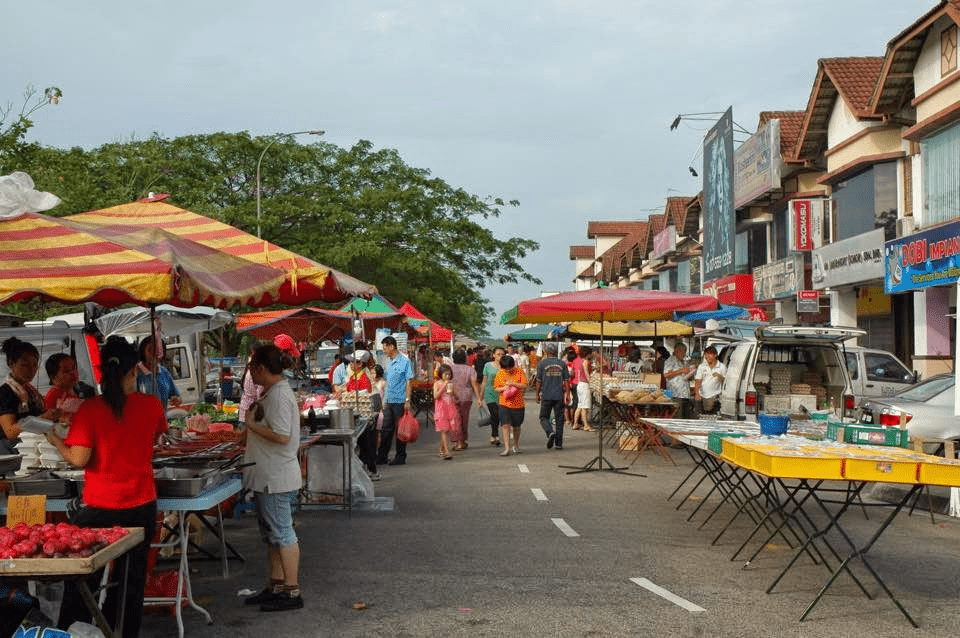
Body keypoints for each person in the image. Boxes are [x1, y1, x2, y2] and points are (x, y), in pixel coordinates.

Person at [47, 336, 167, 637]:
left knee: (83, 577)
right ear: (134, 371)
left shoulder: (90, 410)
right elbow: (154, 441)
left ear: (102, 373)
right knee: (131, 581)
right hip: (141, 506)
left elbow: (78, 459)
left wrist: (56, 441)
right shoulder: (151, 406)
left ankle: (72, 631)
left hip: (100, 507)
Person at [240, 343, 304, 612]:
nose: (249, 374)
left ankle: (291, 591)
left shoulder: (278, 395)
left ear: (262, 369)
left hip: (277, 477)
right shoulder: (273, 392)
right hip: (268, 475)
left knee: (283, 533)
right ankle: (276, 584)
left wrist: (252, 425)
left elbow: (281, 435)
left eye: (252, 368)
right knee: (272, 534)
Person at [0, 337, 61, 455]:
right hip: (12, 451)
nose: (31, 370)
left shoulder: (30, 391)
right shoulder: (5, 393)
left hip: (31, 448)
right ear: (11, 364)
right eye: (25, 365)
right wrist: (42, 418)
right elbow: (10, 432)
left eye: (34, 365)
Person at [376, 336, 415, 466]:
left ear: (392, 346)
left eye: (385, 347)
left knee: (400, 430)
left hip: (400, 401)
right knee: (386, 429)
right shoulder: (388, 361)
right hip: (388, 400)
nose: (384, 350)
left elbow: (409, 382)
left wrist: (407, 400)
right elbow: (387, 382)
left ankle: (400, 457)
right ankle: (382, 457)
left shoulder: (405, 361)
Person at [535, 343, 569, 450]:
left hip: (546, 395)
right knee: (559, 419)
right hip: (559, 395)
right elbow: (566, 381)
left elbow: (538, 381)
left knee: (543, 417)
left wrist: (537, 394)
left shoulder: (542, 364)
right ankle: (558, 443)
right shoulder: (562, 364)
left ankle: (550, 432)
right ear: (555, 351)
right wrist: (567, 394)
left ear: (546, 351)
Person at [135, 335, 182, 412]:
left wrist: (177, 399)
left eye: (158, 350)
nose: (155, 354)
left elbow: (177, 396)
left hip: (162, 421)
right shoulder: (136, 373)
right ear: (143, 352)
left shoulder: (164, 372)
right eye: (150, 350)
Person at [494, 354, 527, 456]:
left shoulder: (519, 371)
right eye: (506, 368)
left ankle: (516, 446)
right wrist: (504, 388)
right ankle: (507, 448)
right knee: (505, 425)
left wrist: (513, 383)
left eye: (510, 367)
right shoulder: (500, 373)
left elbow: (525, 385)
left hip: (518, 404)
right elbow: (496, 387)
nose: (508, 370)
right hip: (504, 404)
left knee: (517, 426)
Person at [450, 349, 482, 451]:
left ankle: (458, 442)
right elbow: (474, 384)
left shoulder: (449, 369)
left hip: (451, 396)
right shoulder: (470, 370)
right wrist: (478, 398)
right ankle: (462, 441)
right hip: (466, 396)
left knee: (455, 420)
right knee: (464, 419)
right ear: (465, 358)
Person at [43, 352, 81, 422]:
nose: (73, 373)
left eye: (74, 368)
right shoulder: (54, 395)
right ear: (53, 376)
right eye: (66, 371)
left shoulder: (70, 391)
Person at [432, 364, 459, 459]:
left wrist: (453, 393)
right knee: (444, 430)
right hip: (441, 409)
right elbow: (436, 396)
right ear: (441, 374)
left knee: (447, 431)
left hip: (450, 408)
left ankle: (441, 449)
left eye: (449, 374)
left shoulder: (451, 383)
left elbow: (457, 396)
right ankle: (447, 452)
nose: (448, 376)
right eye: (445, 374)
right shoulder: (437, 383)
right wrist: (444, 386)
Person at [663, 343, 695, 418]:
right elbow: (666, 375)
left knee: (685, 418)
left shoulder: (681, 362)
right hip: (675, 394)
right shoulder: (670, 360)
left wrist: (690, 374)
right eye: (684, 352)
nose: (684, 354)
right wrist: (680, 371)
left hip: (685, 395)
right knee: (678, 417)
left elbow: (683, 376)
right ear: (678, 351)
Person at [480, 347, 504, 446]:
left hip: (502, 394)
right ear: (493, 355)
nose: (500, 356)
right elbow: (484, 381)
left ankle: (493, 435)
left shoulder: (505, 366)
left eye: (502, 354)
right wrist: (480, 397)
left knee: (498, 415)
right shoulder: (488, 365)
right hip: (490, 393)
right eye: (498, 354)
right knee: (495, 414)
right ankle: (496, 435)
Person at [694, 345, 726, 415]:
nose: (707, 356)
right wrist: (697, 394)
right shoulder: (702, 366)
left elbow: (726, 383)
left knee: (714, 418)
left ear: (715, 355)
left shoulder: (722, 367)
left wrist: (719, 376)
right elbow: (697, 381)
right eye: (706, 354)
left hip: (715, 397)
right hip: (702, 397)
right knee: (701, 418)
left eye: (709, 354)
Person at [572, 346, 594, 432]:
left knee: (580, 405)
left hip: (580, 384)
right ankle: (586, 425)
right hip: (584, 385)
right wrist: (591, 382)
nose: (591, 355)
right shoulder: (585, 362)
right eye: (590, 353)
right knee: (584, 406)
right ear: (587, 354)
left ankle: (575, 423)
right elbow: (587, 374)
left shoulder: (582, 361)